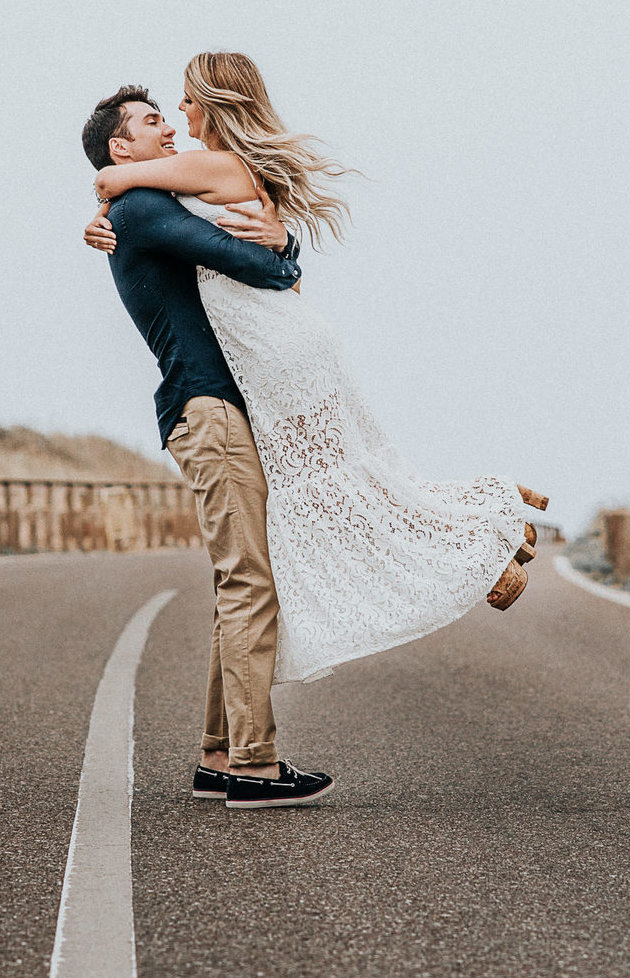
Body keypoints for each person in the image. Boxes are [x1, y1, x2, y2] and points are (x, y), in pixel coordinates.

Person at [87, 53, 547, 690]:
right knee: (342, 476)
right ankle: (487, 523)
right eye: (160, 115)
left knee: (330, 489)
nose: (179, 118)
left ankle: (481, 539)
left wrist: (107, 198)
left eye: (186, 103)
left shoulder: (205, 168)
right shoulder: (202, 178)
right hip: (285, 342)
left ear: (216, 103)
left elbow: (120, 183)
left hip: (274, 349)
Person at [80, 85, 335, 811]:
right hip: (208, 410)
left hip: (215, 410)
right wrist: (281, 252)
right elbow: (249, 262)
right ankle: (254, 765)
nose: (168, 128)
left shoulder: (135, 204)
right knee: (249, 581)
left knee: (241, 582)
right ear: (119, 147)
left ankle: (220, 754)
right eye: (151, 121)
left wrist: (279, 243)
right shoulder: (140, 210)